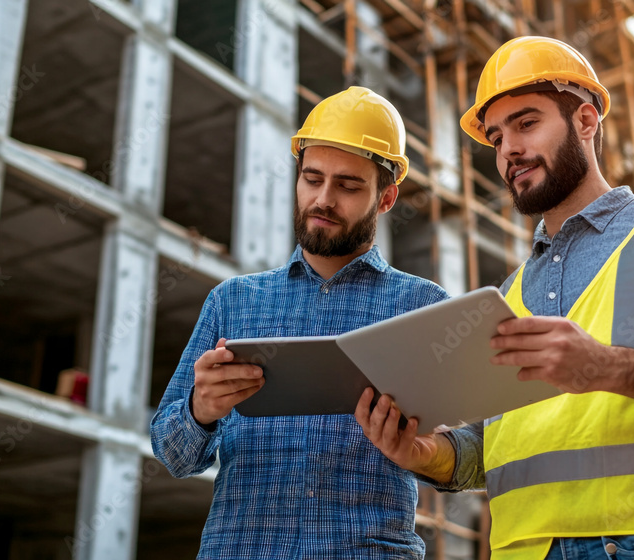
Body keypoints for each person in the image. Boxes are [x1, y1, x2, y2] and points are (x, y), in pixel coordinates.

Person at [355, 36, 634, 559]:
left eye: (526, 123)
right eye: (495, 139)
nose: (508, 152)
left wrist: (609, 368)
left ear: (586, 122)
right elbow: (494, 451)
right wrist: (424, 454)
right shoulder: (506, 296)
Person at [151, 86, 448, 560]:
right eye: (312, 179)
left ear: (387, 197)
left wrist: (423, 448)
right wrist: (201, 409)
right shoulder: (232, 302)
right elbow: (172, 453)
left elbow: (462, 457)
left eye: (348, 186)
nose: (323, 199)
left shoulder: (426, 309)